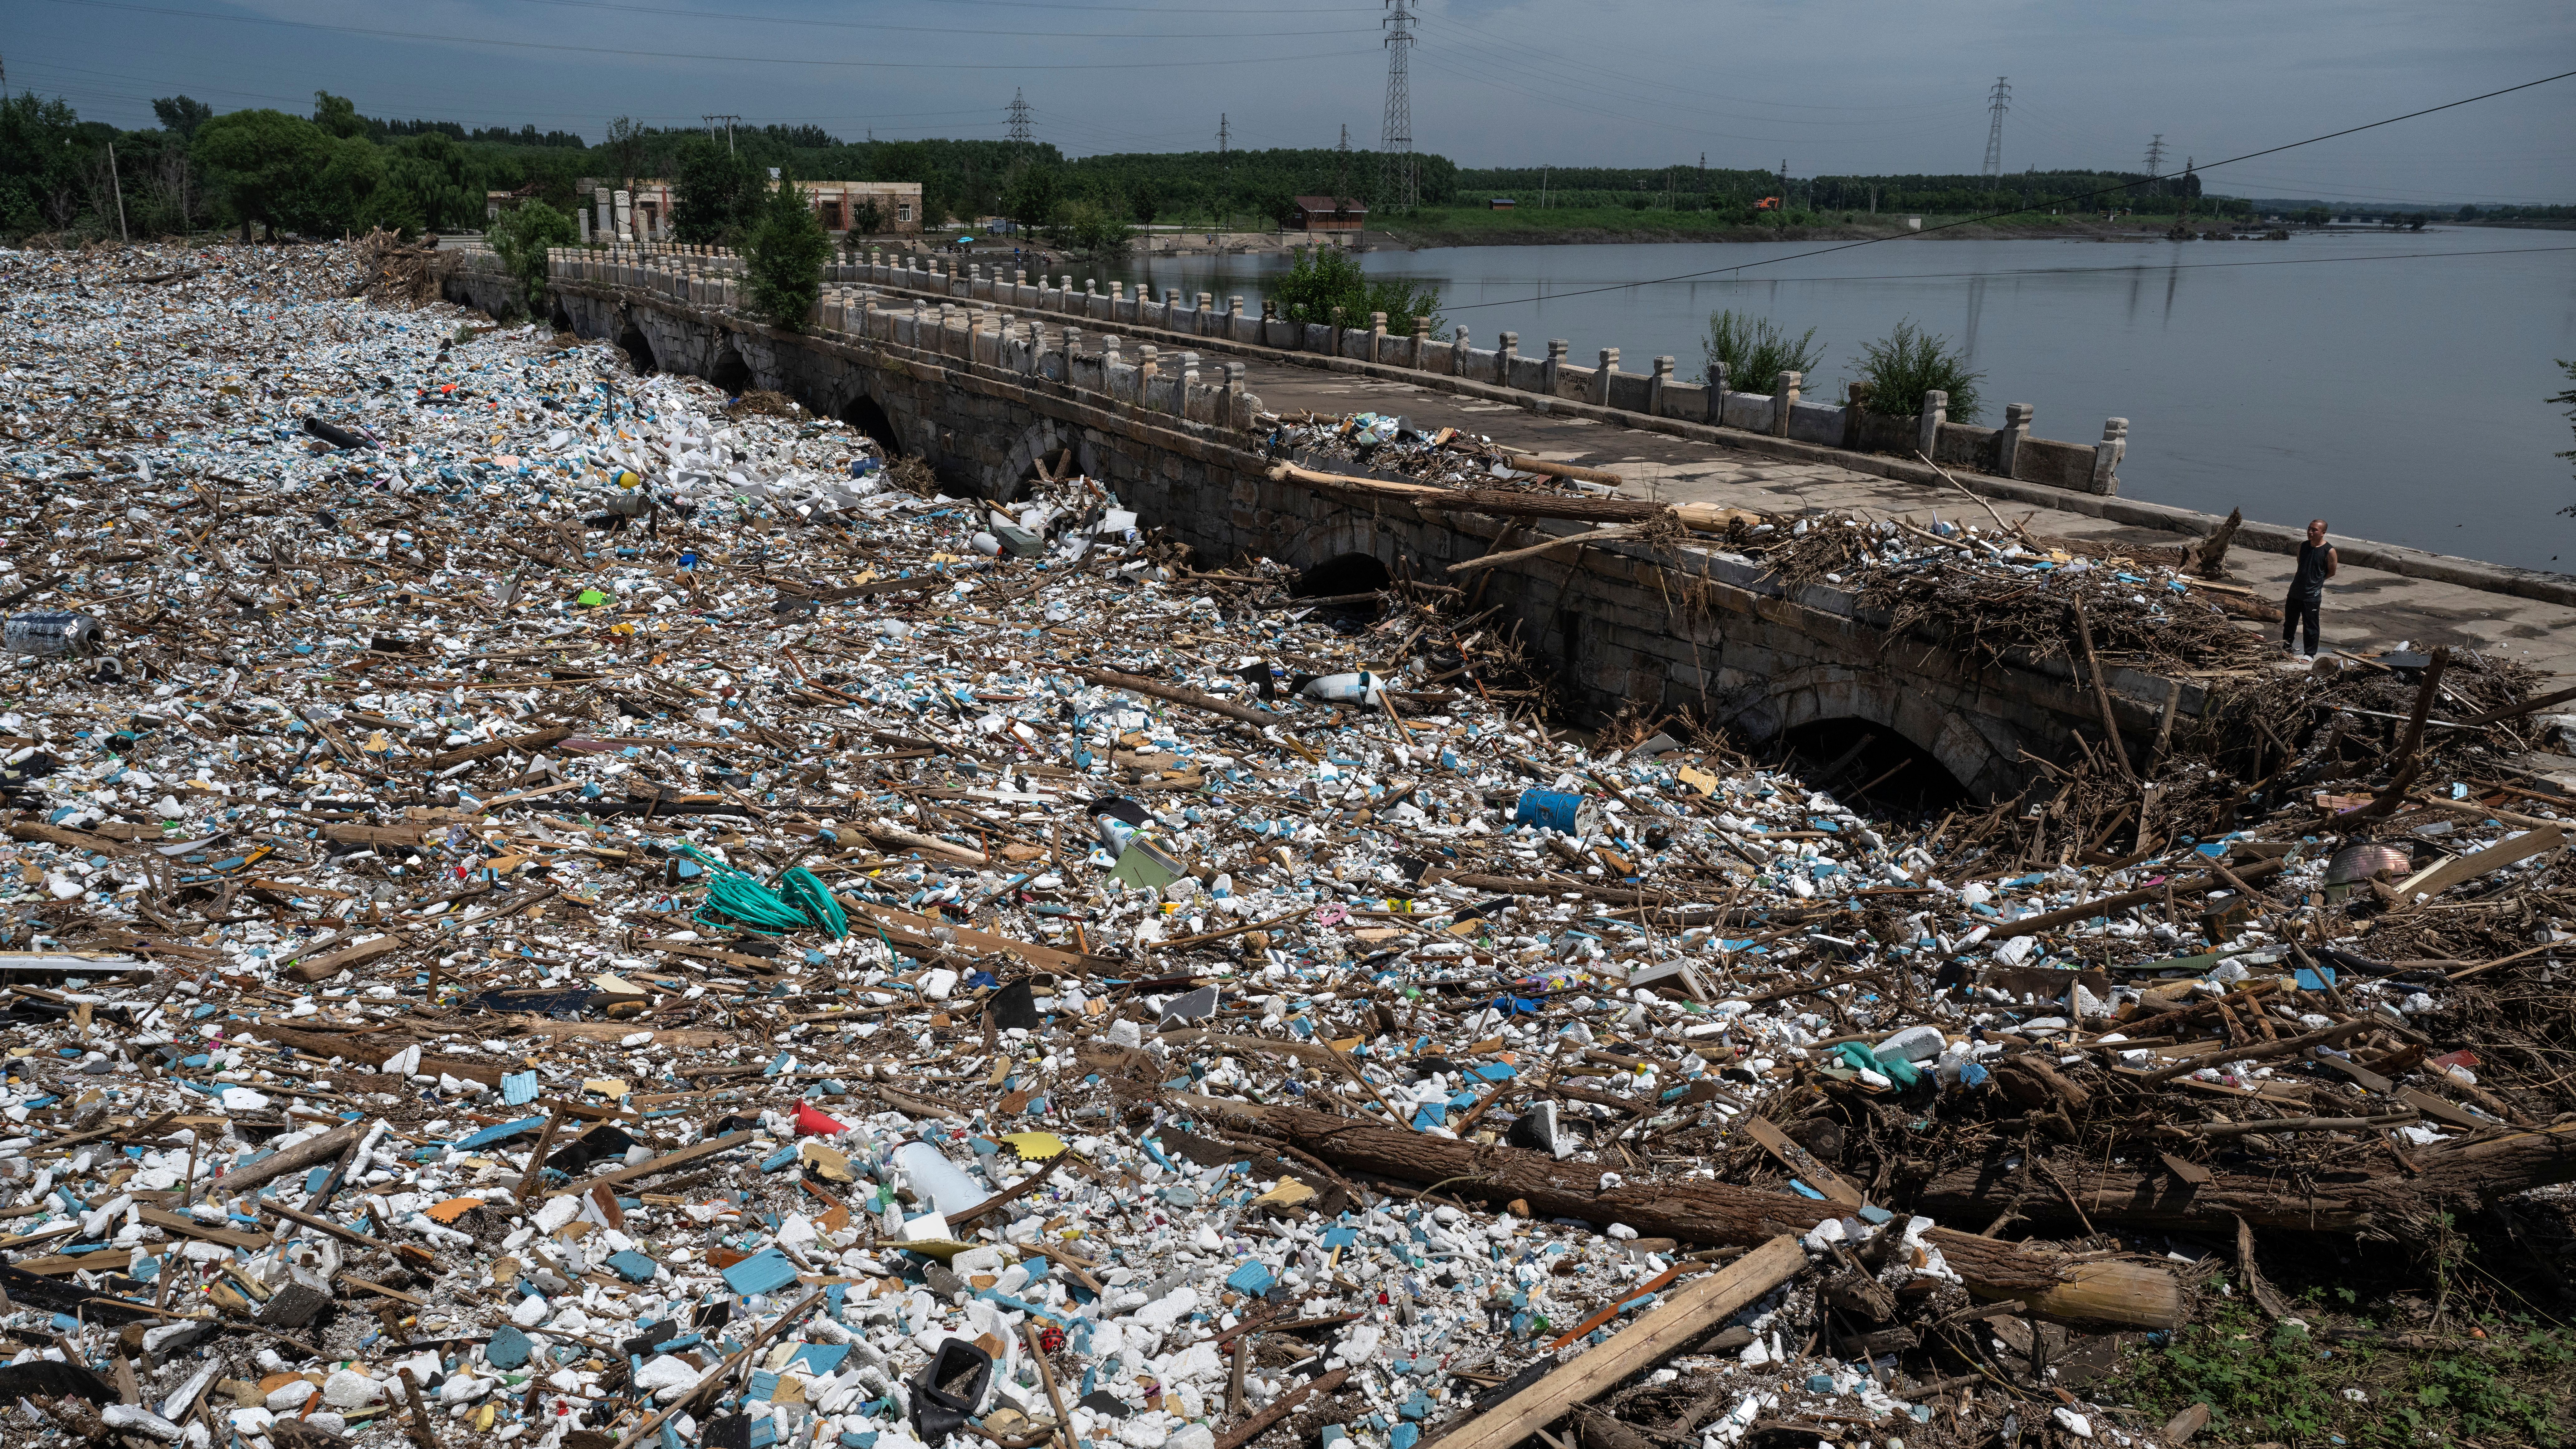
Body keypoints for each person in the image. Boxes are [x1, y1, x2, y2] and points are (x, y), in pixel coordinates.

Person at [2283, 517, 2338, 657]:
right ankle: (2286, 648)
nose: (2311, 532)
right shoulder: (2303, 546)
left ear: (2323, 533)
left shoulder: (2329, 551)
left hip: (2311, 596)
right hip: (2295, 592)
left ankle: (2310, 654)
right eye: (2309, 529)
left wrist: (2316, 582)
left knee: (2311, 626)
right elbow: (2300, 565)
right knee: (2290, 624)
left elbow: (2331, 572)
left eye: (2315, 530)